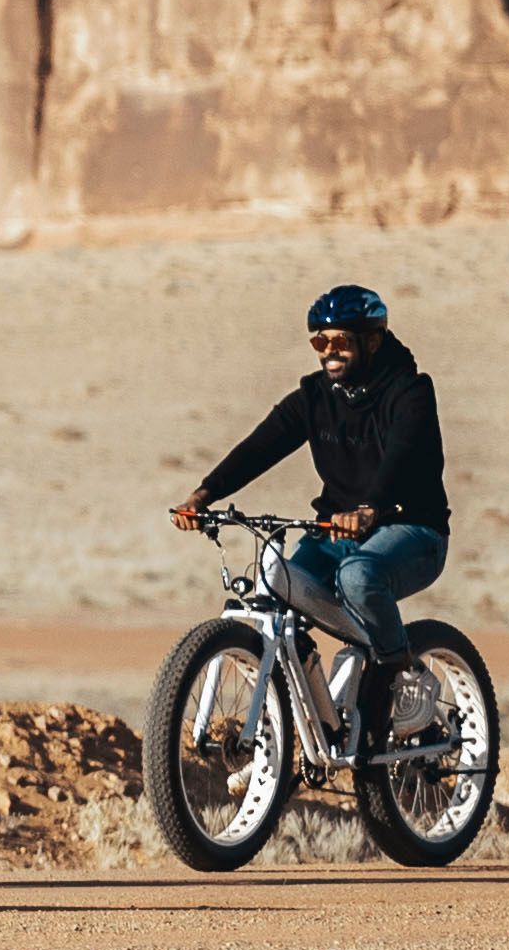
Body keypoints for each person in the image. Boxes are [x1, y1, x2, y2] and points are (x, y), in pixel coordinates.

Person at [169, 283, 451, 755]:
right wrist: (204, 493)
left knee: (358, 577)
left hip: (411, 529)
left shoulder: (410, 392)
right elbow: (262, 445)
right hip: (334, 531)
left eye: (339, 341)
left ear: (373, 340)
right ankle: (311, 728)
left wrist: (370, 508)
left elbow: (400, 455)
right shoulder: (314, 397)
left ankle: (407, 677)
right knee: (277, 586)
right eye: (319, 342)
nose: (328, 352)